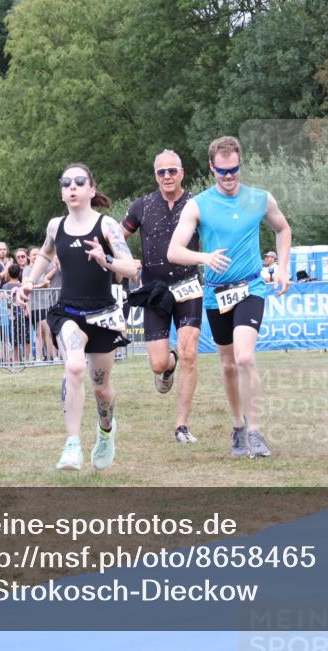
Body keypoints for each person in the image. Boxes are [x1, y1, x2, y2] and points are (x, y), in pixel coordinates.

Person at [167, 136, 292, 459]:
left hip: (250, 288)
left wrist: (282, 267)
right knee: (227, 365)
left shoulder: (260, 198)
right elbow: (174, 251)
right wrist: (204, 258)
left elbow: (282, 229)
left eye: (234, 169)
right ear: (211, 168)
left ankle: (255, 431)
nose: (229, 176)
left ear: (241, 165)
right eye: (222, 171)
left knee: (245, 357)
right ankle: (238, 426)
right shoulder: (198, 205)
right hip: (215, 295)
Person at [16, 163, 138, 471]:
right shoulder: (56, 226)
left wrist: (105, 258)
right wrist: (29, 281)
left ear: (91, 190)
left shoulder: (107, 226)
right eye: (66, 182)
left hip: (103, 315)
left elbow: (131, 268)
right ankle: (72, 445)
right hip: (68, 311)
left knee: (102, 388)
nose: (72, 186)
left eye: (79, 181)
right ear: (62, 192)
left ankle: (106, 432)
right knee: (73, 365)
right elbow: (45, 254)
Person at [121, 150, 202, 445]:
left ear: (182, 172)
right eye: (161, 172)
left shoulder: (197, 204)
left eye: (172, 171)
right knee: (157, 362)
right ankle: (169, 365)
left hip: (188, 285)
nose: (166, 176)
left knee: (191, 353)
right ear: (154, 175)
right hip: (154, 289)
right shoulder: (141, 206)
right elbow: (118, 238)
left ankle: (181, 426)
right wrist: (123, 263)